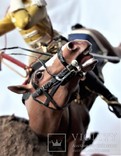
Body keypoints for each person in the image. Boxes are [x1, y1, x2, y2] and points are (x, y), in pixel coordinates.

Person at [0, 1, 121, 118]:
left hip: (54, 45)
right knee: (30, 85)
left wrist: (15, 2)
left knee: (79, 68)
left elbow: (24, 22)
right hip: (37, 51)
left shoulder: (36, 4)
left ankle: (110, 99)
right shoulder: (15, 10)